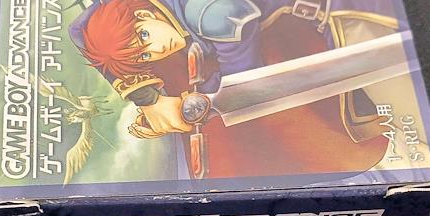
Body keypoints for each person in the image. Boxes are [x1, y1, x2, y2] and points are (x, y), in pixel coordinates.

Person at [70, 0, 404, 178]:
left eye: (145, 37)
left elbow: (247, 85)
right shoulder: (131, 9)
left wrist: (197, 104)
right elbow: (79, 29)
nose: (156, 51)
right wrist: (148, 99)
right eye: (144, 56)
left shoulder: (210, 14)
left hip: (349, 15)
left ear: (144, 13)